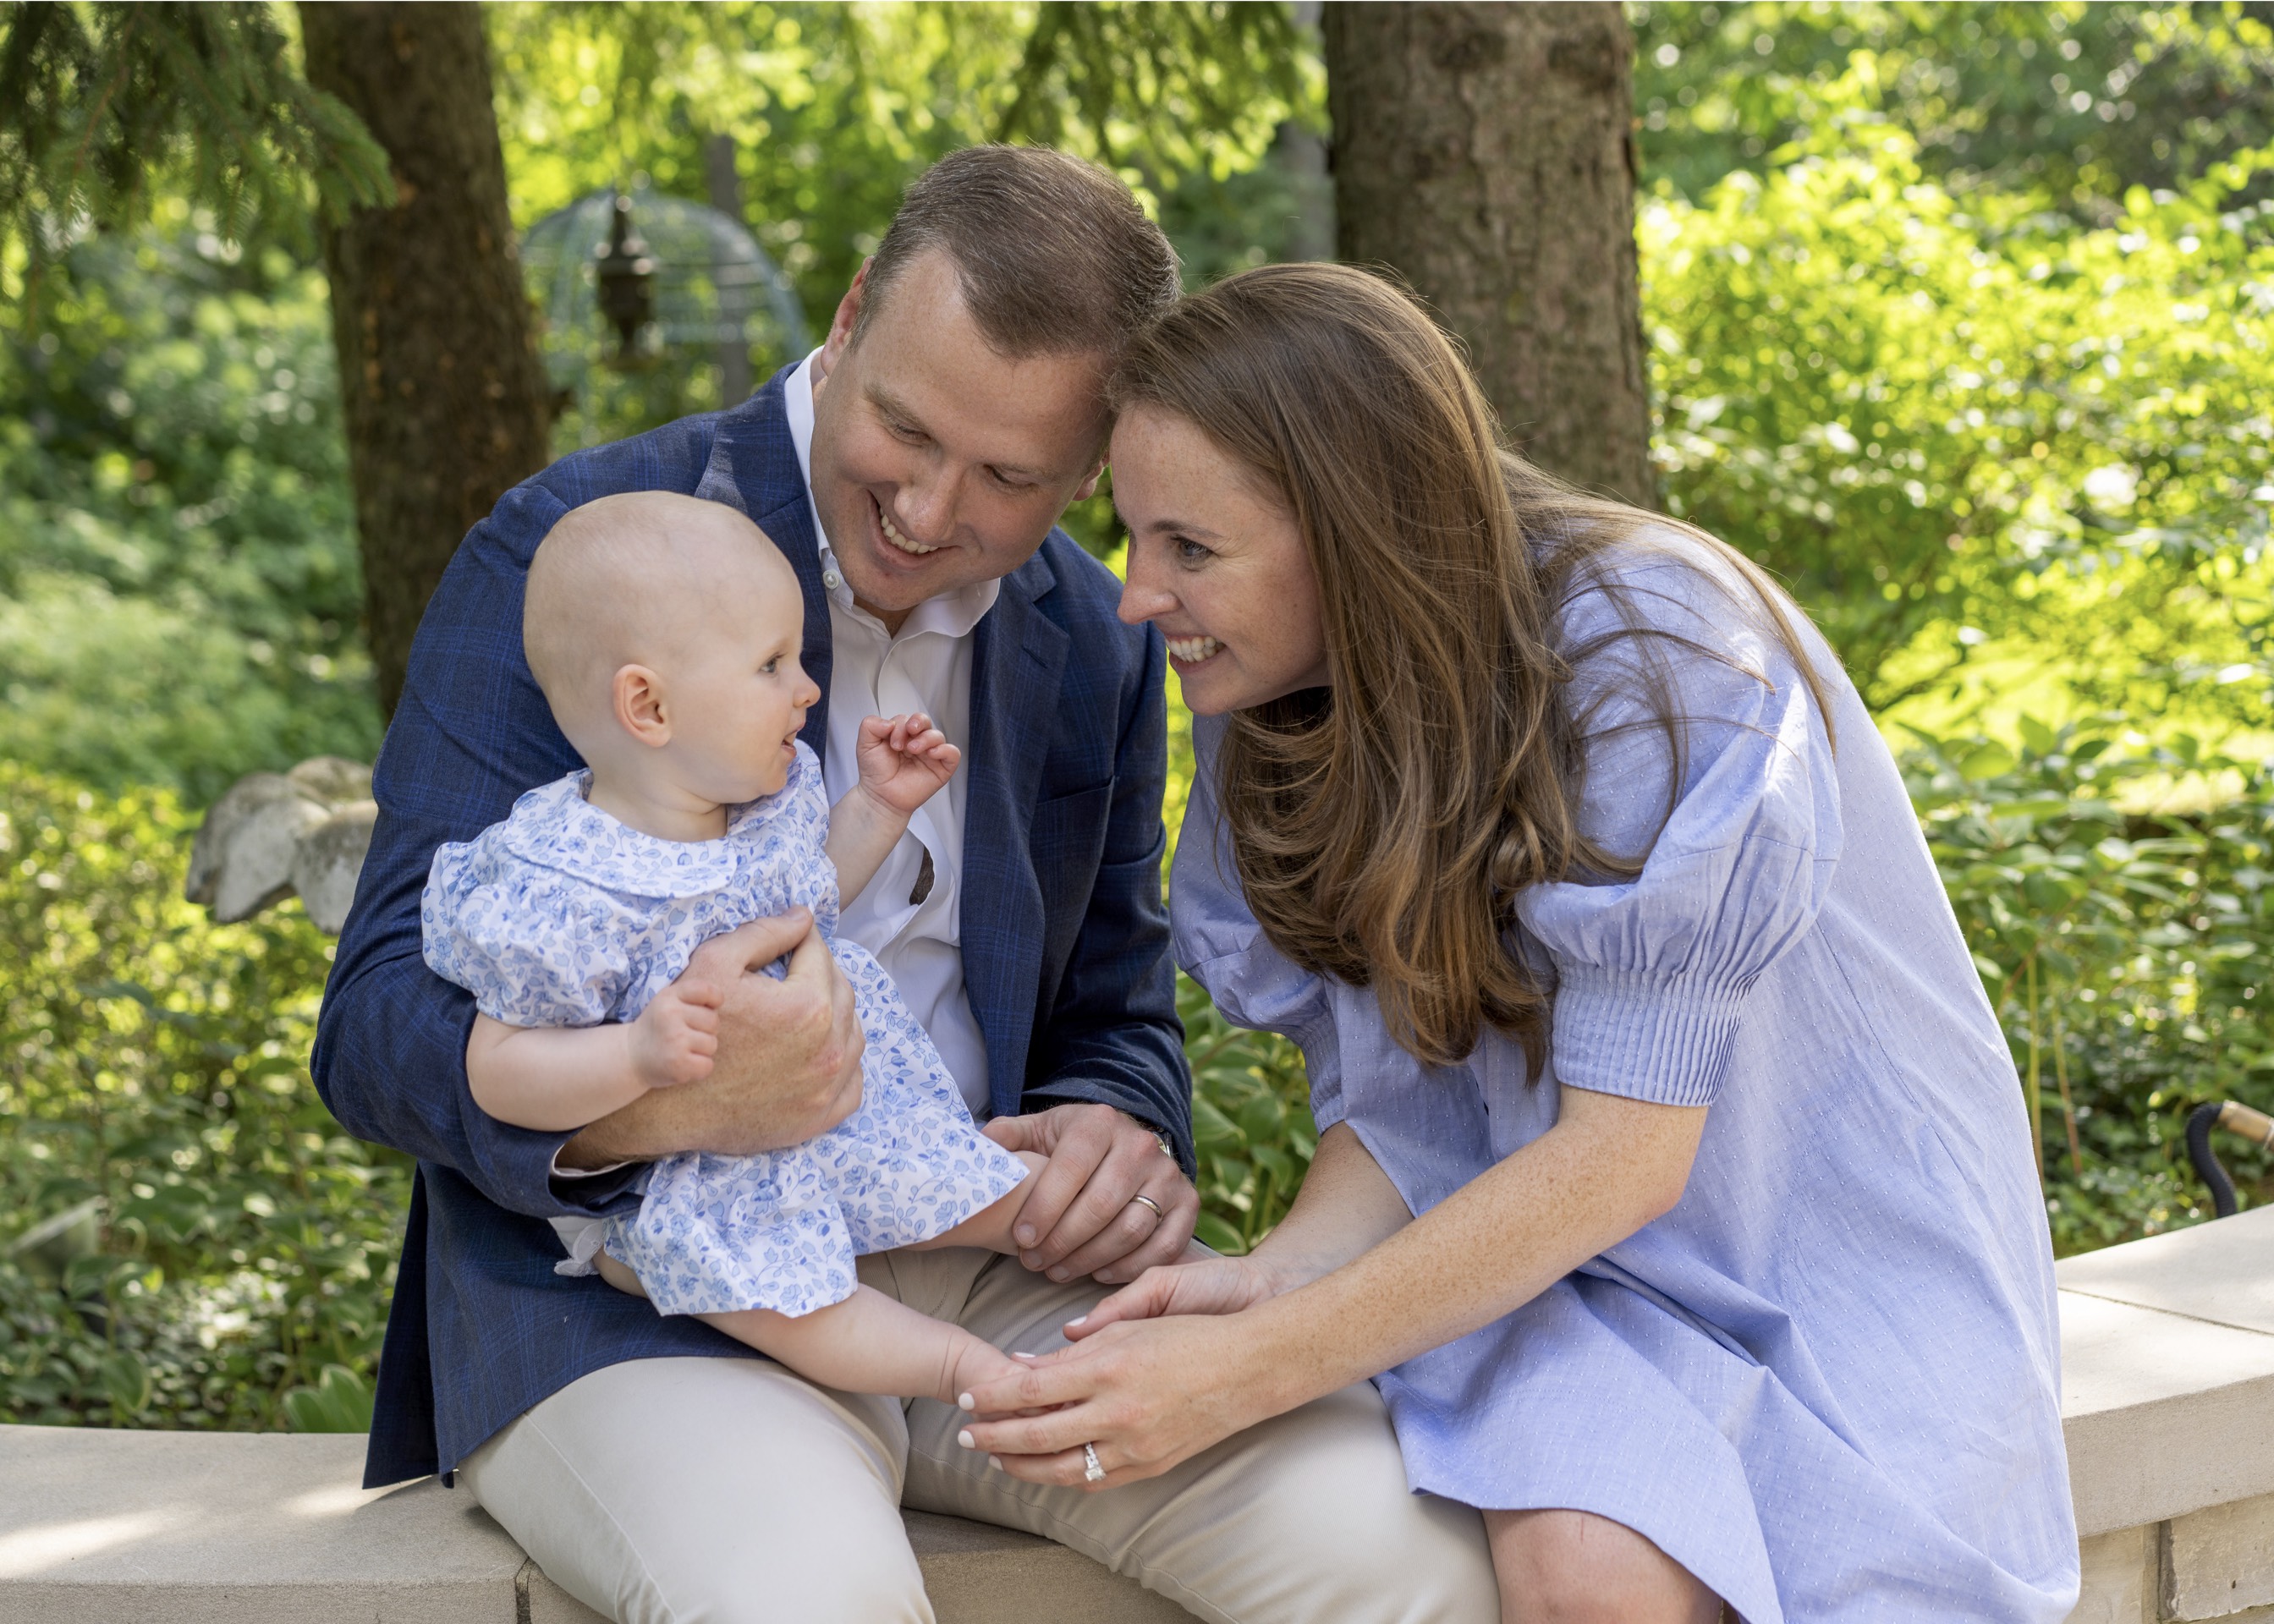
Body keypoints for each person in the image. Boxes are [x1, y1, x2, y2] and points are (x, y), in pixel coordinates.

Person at [313, 151, 1497, 1623]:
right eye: (904, 430)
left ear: (1096, 459)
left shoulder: (1105, 637)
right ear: (854, 313)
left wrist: (1115, 1135)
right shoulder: (586, 546)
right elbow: (373, 1032)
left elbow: (1109, 1010)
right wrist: (657, 1102)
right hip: (650, 1296)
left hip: (987, 1266)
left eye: (1010, 478)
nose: (932, 511)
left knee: (1415, 1560)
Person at [958, 262, 2080, 1623]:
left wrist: (1255, 1370)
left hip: (1823, 1267)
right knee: (1581, 1571)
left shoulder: (1661, 657)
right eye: (1134, 538)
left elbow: (1623, 1159)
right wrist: (1271, 1281)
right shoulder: (1287, 714)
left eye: (1192, 549)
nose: (1141, 599)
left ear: (1359, 528)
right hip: (1563, 1275)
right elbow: (1402, 1099)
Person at [423, 491, 1055, 1403]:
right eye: (771, 665)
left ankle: (1057, 1227)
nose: (807, 688)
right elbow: (499, 1065)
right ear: (648, 706)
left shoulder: (762, 806)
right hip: (695, 1182)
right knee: (795, 1307)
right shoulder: (563, 885)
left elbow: (808, 899)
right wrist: (635, 1053)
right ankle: (960, 1367)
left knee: (982, 1190)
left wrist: (878, 807)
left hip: (837, 1114)